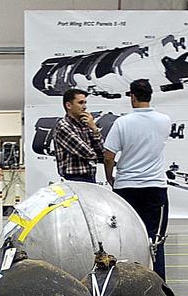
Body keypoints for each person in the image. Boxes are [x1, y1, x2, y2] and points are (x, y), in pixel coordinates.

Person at [103, 79, 171, 279]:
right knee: (155, 240)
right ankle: (158, 284)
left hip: (126, 188)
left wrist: (110, 177)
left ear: (132, 96)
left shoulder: (122, 122)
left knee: (124, 237)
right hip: (154, 187)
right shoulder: (164, 121)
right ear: (150, 96)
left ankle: (125, 281)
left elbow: (108, 155)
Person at [52, 88, 104, 183]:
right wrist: (102, 155)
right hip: (73, 178)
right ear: (68, 105)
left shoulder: (86, 124)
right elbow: (88, 153)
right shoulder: (63, 126)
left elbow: (102, 153)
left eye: (85, 103)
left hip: (89, 176)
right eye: (80, 103)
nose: (84, 107)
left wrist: (94, 129)